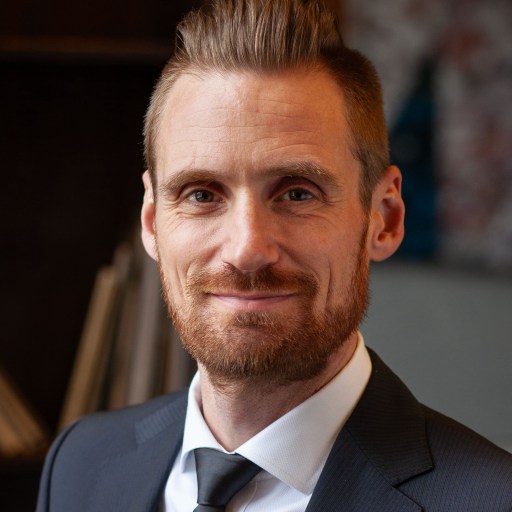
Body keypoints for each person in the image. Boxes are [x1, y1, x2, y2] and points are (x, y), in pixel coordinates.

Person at [36, 0, 512, 511]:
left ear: (386, 218)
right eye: (202, 194)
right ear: (153, 222)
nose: (246, 250)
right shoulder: (78, 464)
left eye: (297, 193)